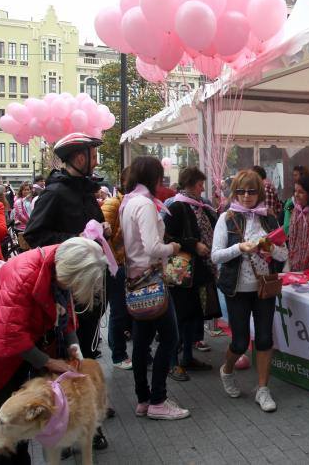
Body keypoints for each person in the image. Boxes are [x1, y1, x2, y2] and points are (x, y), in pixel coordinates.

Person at [0, 237, 107, 464]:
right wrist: (48, 362)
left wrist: (74, 346)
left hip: (12, 340)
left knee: (23, 411)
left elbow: (65, 313)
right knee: (1, 405)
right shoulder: (25, 275)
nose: (74, 290)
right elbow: (10, 336)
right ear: (68, 272)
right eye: (74, 284)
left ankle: (19, 455)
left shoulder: (58, 264)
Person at [23, 133, 109, 360]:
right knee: (74, 351)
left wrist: (104, 227)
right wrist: (75, 239)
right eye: (93, 156)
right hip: (70, 286)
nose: (96, 161)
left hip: (90, 282)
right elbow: (33, 235)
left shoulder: (84, 190)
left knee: (89, 346)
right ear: (80, 159)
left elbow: (95, 223)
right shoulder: (55, 193)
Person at [212, 169, 288, 412]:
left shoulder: (270, 218)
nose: (246, 196)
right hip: (237, 288)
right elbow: (216, 256)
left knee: (265, 338)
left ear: (260, 193)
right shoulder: (227, 218)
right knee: (240, 341)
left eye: (252, 191)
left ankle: (263, 389)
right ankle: (227, 370)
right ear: (235, 192)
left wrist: (271, 251)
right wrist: (240, 248)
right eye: (242, 191)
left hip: (264, 287)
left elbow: (284, 254)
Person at [120, 156, 189, 421]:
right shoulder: (145, 204)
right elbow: (152, 247)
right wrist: (172, 248)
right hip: (151, 279)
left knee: (141, 342)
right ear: (153, 178)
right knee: (170, 338)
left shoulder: (128, 202)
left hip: (134, 280)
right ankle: (158, 400)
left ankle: (144, 399)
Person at [163, 167, 220, 381]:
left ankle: (187, 356)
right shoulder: (177, 207)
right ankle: (172, 362)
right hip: (183, 274)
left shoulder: (201, 207)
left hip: (200, 271)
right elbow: (167, 237)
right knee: (180, 318)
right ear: (191, 184)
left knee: (193, 318)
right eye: (200, 184)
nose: (202, 188)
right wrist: (193, 244)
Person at [100, 168, 132, 370]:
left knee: (127, 310)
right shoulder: (114, 203)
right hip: (115, 266)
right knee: (118, 311)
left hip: (129, 264)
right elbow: (101, 236)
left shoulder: (133, 203)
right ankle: (118, 353)